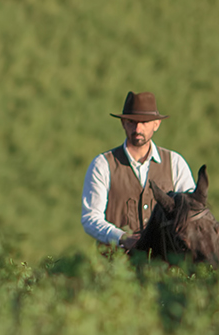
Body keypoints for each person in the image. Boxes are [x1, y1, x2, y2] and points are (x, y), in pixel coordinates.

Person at [80, 91, 196, 250]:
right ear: (123, 123)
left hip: (164, 268)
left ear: (156, 124)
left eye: (144, 122)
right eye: (131, 122)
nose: (137, 128)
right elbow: (91, 218)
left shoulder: (175, 163)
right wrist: (121, 237)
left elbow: (191, 214)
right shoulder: (102, 165)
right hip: (115, 266)